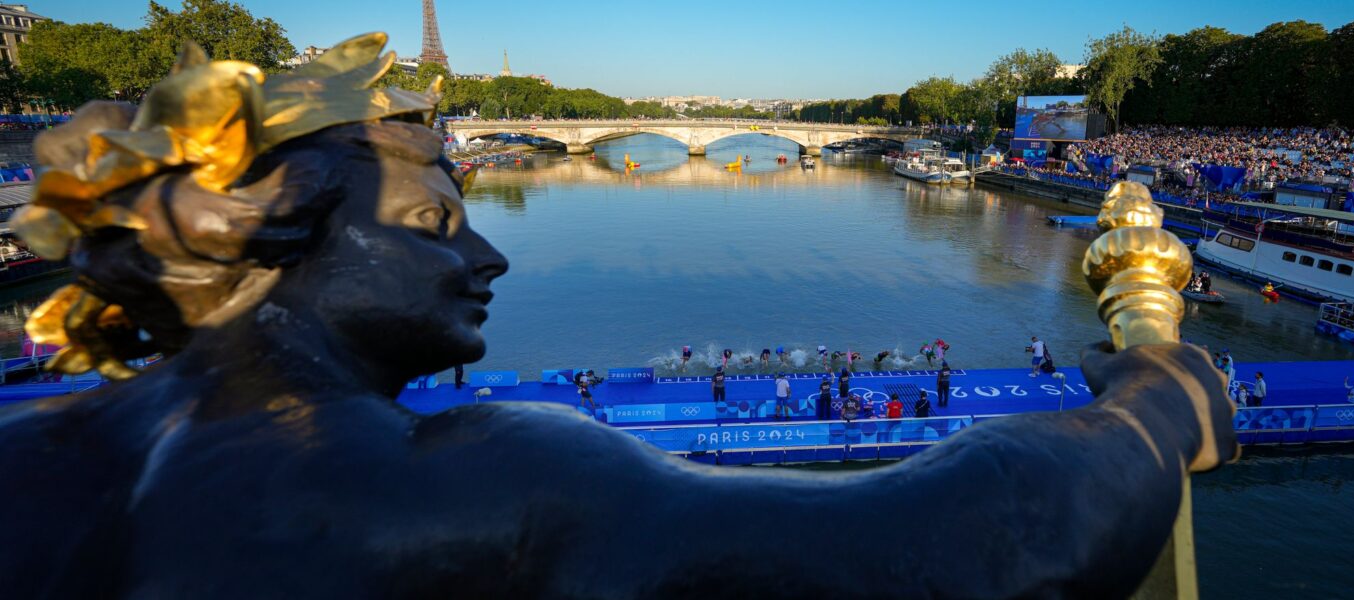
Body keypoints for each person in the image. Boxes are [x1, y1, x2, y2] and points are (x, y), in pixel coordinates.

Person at [0, 41, 1242, 598]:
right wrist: (1154, 400)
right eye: (436, 219)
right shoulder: (488, 473)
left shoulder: (39, 455)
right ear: (278, 224)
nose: (485, 250)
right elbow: (975, 549)